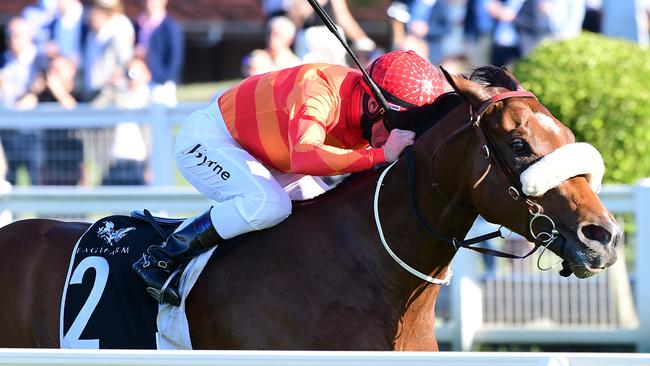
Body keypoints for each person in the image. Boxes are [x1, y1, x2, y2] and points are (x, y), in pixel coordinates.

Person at [132, 50, 447, 306]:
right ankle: (162, 256)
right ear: (374, 104)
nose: (397, 138)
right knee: (269, 205)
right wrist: (381, 155)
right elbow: (305, 156)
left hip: (270, 159)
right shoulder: (317, 90)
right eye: (397, 126)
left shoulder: (372, 113)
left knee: (324, 217)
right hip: (210, 140)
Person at [16, 55, 85, 186]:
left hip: (72, 157)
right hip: (48, 156)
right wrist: (34, 91)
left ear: (71, 71)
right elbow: (21, 107)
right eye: (52, 69)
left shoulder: (78, 90)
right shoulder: (44, 93)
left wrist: (57, 89)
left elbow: (74, 110)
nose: (54, 73)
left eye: (59, 69)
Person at [0, 16, 46, 185]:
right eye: (9, 35)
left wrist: (34, 95)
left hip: (33, 131)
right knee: (10, 180)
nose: (12, 39)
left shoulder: (40, 60)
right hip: (8, 131)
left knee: (37, 180)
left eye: (17, 35)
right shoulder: (4, 59)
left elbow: (48, 90)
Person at [134, 0, 184, 107]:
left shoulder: (170, 26)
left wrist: (164, 78)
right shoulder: (139, 24)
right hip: (141, 81)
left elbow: (175, 57)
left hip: (161, 82)